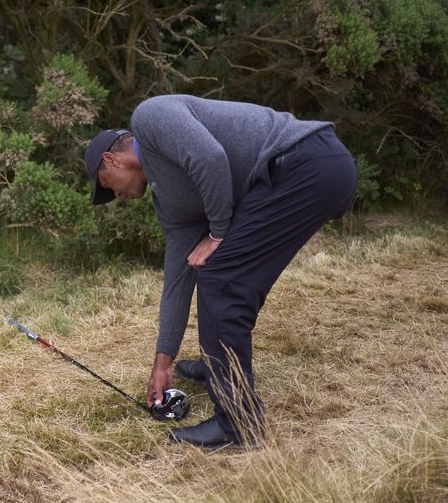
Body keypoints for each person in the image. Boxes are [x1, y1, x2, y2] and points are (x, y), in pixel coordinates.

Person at [85, 95, 356, 448]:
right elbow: (178, 281)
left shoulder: (150, 118)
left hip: (306, 162)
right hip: (305, 174)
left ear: (112, 159)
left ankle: (238, 426)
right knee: (227, 278)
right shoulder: (172, 203)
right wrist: (163, 360)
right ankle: (220, 367)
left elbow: (210, 157)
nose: (115, 195)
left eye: (107, 185)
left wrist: (218, 232)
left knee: (221, 279)